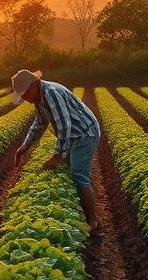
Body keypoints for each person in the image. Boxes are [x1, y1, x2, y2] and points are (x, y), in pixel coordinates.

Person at [11, 69, 100, 233]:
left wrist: (57, 156)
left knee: (79, 174)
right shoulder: (39, 98)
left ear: (33, 86)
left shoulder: (51, 93)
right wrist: (25, 146)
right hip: (74, 134)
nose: (25, 99)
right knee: (71, 172)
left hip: (85, 132)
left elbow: (64, 125)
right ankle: (81, 214)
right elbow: (39, 124)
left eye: (24, 95)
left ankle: (92, 223)